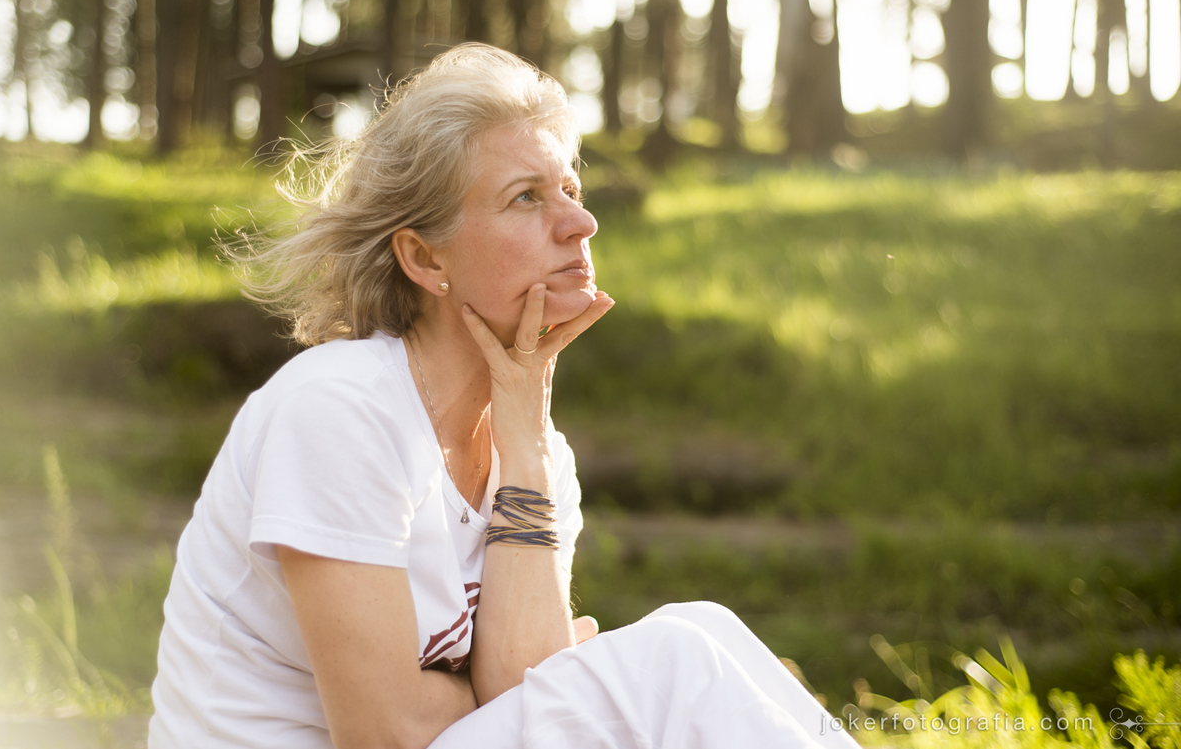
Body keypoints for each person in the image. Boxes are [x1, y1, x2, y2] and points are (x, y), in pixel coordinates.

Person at [148, 43, 859, 749]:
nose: (582, 225)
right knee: (674, 662)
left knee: (705, 626)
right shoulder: (341, 407)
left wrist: (525, 445)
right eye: (527, 197)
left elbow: (529, 700)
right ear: (426, 258)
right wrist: (512, 689)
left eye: (571, 192)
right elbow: (388, 731)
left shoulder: (539, 456)